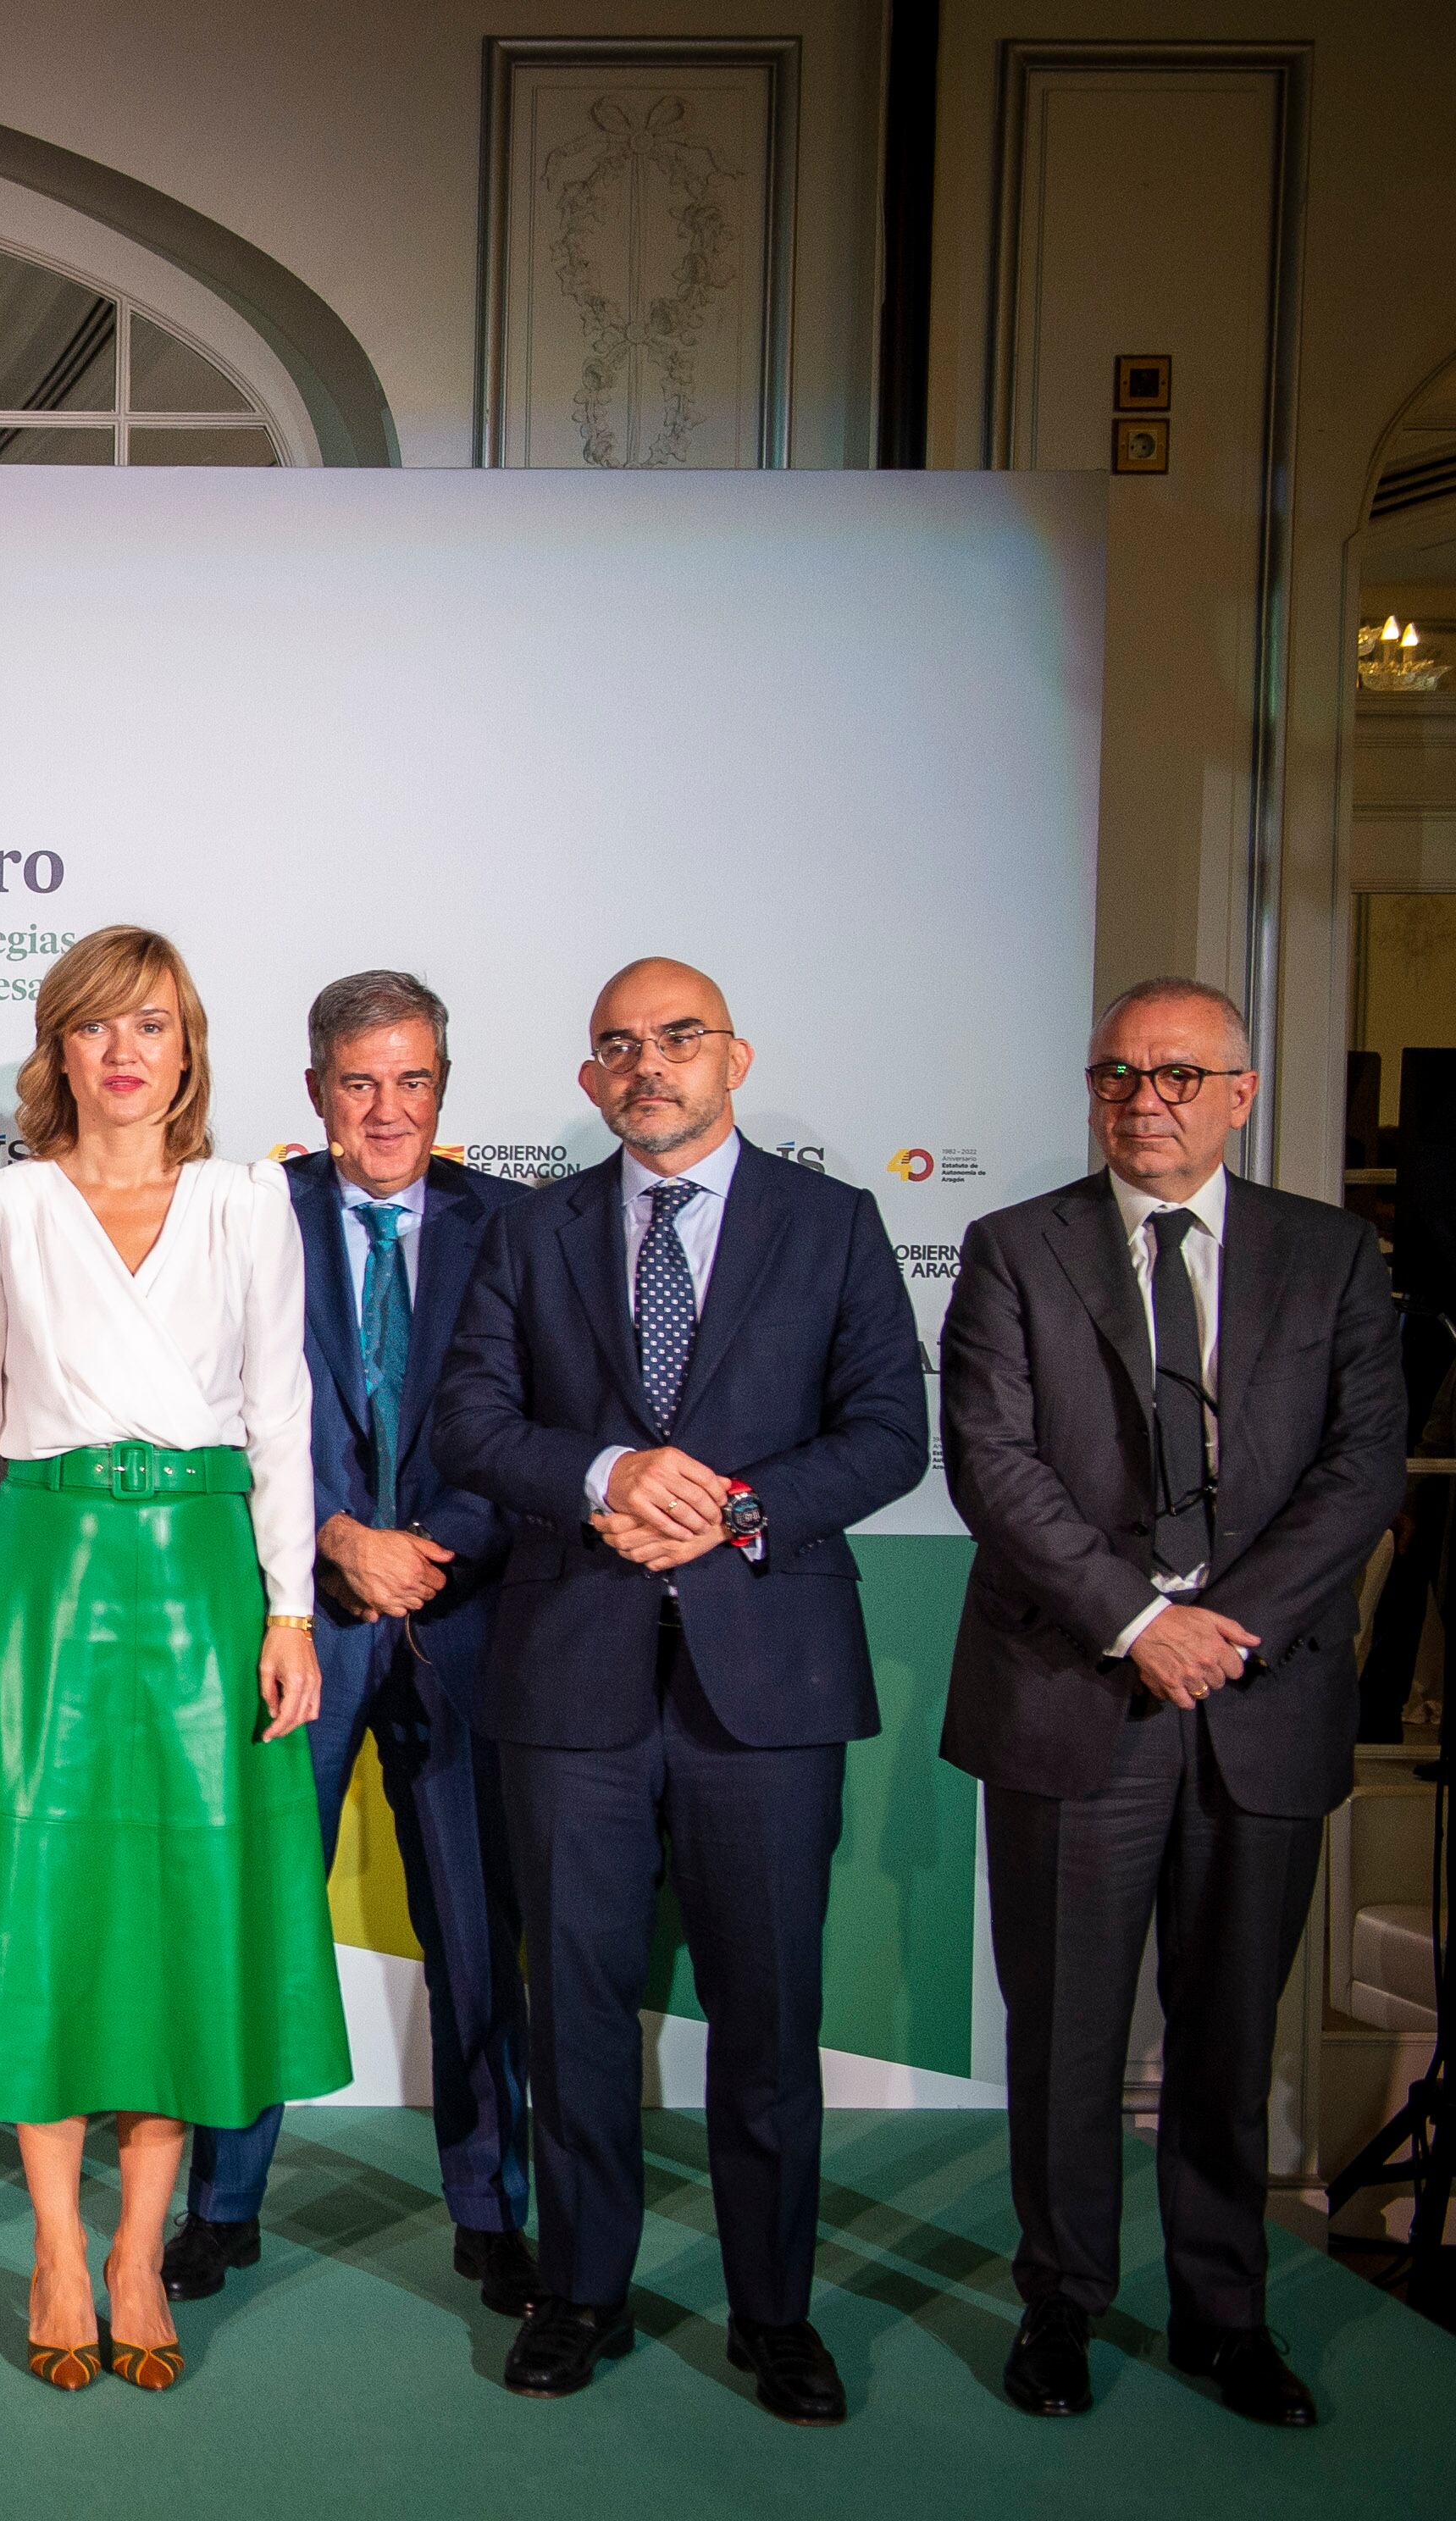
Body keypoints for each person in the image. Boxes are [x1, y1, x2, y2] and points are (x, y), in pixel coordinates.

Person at [434, 957, 927, 2425]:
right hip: (571, 1675)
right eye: (618, 1048)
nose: (648, 1066)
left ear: (737, 1057)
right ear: (592, 1082)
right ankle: (582, 2292)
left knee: (767, 2018)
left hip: (763, 1683)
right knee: (573, 2009)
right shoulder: (533, 1231)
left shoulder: (834, 1225)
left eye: (678, 1040)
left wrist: (738, 1503)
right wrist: (602, 1476)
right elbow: (472, 1422)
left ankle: (775, 2313)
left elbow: (892, 1432)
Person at [0, 926, 346, 2394]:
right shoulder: (3, 1208)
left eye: (153, 1025)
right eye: (96, 1027)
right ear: (59, 1051)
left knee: (183, 1919)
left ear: (189, 1048)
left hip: (207, 1584)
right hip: (45, 1578)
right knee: (48, 1910)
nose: (125, 1051)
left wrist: (290, 1612)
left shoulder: (245, 1200)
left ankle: (141, 2248)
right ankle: (59, 2249)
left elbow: (282, 1416)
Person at [940, 978, 1403, 2429]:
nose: (1148, 1101)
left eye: (1181, 1076)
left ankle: (1223, 2314)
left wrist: (1230, 1628)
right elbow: (994, 1466)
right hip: (1077, 1692)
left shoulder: (1333, 1260)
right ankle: (1063, 2305)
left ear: (1242, 1094)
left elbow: (1363, 1469)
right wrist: (1141, 1622)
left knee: (1227, 2033)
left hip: (1260, 1704)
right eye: (1119, 1076)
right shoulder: (1016, 1250)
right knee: (1066, 2030)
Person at [172, 972, 536, 2316]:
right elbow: (211, 1406)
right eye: (360, 1083)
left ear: (445, 1088)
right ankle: (222, 2203)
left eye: (414, 1082)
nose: (387, 1110)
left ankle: (492, 2205)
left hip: (465, 1617)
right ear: (315, 1089)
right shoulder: (252, 1212)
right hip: (296, 1624)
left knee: (475, 1936)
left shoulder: (518, 1226)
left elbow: (545, 1420)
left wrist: (434, 1544)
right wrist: (331, 1535)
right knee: (260, 1921)